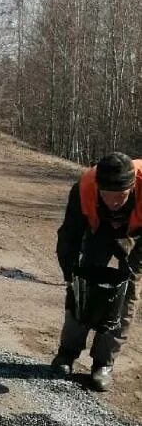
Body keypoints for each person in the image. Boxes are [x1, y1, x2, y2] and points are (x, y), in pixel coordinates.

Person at [52, 152, 142, 392]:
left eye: (120, 196)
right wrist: (69, 276)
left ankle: (103, 363)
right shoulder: (84, 188)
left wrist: (131, 259)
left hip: (138, 233)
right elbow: (69, 237)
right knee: (83, 287)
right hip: (99, 230)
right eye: (107, 196)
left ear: (132, 188)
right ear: (99, 188)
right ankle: (67, 353)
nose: (114, 202)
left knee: (126, 296)